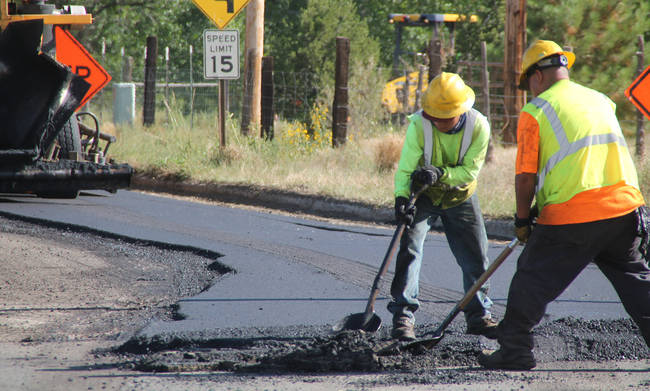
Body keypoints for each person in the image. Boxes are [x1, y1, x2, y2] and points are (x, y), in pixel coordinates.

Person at [479, 39, 650, 370]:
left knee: (532, 278)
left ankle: (514, 349)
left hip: (574, 215)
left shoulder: (537, 110)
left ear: (537, 76)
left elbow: (525, 176)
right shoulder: (601, 100)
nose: (530, 90)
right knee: (637, 283)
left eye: (528, 83)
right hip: (625, 210)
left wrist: (522, 218)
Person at [389, 72, 496, 341]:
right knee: (409, 249)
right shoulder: (418, 124)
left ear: (460, 111)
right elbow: (405, 167)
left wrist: (440, 173)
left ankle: (479, 316)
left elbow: (470, 172)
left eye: (442, 116)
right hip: (423, 195)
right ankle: (403, 316)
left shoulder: (479, 126)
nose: (435, 120)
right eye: (432, 114)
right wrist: (402, 199)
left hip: (460, 196)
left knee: (476, 256)